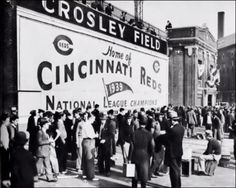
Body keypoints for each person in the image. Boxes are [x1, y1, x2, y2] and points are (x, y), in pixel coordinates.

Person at [159, 110, 185, 188]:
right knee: (177, 169)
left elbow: (166, 139)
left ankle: (175, 186)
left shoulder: (172, 130)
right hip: (179, 151)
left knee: (173, 171)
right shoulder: (182, 128)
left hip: (172, 152)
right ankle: (178, 185)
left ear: (173, 120)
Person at [129, 114, 154, 188]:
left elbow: (131, 146)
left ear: (139, 123)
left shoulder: (134, 133)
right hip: (145, 156)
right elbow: (152, 146)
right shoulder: (149, 134)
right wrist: (150, 154)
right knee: (144, 176)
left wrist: (129, 158)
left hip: (135, 154)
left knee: (134, 175)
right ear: (146, 124)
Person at [36, 118, 57, 182]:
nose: (48, 125)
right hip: (41, 151)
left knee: (48, 165)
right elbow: (39, 142)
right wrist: (48, 141)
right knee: (38, 166)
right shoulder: (39, 132)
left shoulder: (46, 132)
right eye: (47, 124)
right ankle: (34, 177)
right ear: (44, 125)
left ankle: (50, 177)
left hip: (46, 151)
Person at [81, 112, 98, 180]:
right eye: (93, 118)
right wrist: (96, 135)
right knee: (90, 159)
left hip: (85, 141)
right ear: (90, 118)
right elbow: (90, 135)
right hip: (89, 142)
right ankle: (91, 176)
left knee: (85, 159)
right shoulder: (88, 125)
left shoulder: (85, 124)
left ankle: (85, 174)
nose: (94, 120)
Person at [98, 112, 115, 176]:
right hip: (100, 143)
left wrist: (105, 139)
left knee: (107, 158)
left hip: (107, 144)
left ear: (105, 120)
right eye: (101, 120)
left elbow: (111, 135)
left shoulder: (109, 125)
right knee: (100, 157)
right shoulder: (100, 125)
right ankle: (101, 170)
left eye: (103, 120)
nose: (102, 121)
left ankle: (108, 171)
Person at [0, 112, 10, 180]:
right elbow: (2, 139)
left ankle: (5, 177)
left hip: (5, 148)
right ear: (4, 120)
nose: (8, 122)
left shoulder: (3, 127)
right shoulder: (2, 127)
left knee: (5, 164)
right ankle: (5, 178)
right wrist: (6, 147)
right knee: (5, 164)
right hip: (4, 149)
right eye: (7, 120)